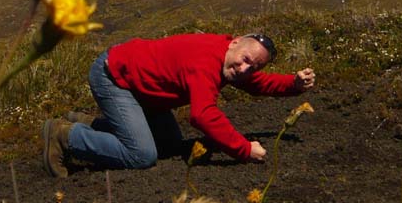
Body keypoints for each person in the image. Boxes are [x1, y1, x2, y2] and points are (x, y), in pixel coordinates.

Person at [41, 32, 316, 177]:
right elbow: (203, 114)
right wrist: (244, 149)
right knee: (142, 156)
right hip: (114, 77)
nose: (245, 69)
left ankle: (89, 124)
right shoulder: (205, 63)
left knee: (170, 145)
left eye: (252, 67)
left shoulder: (226, 58)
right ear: (234, 43)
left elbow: (255, 84)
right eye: (245, 59)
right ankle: (65, 136)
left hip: (145, 90)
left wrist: (292, 84)